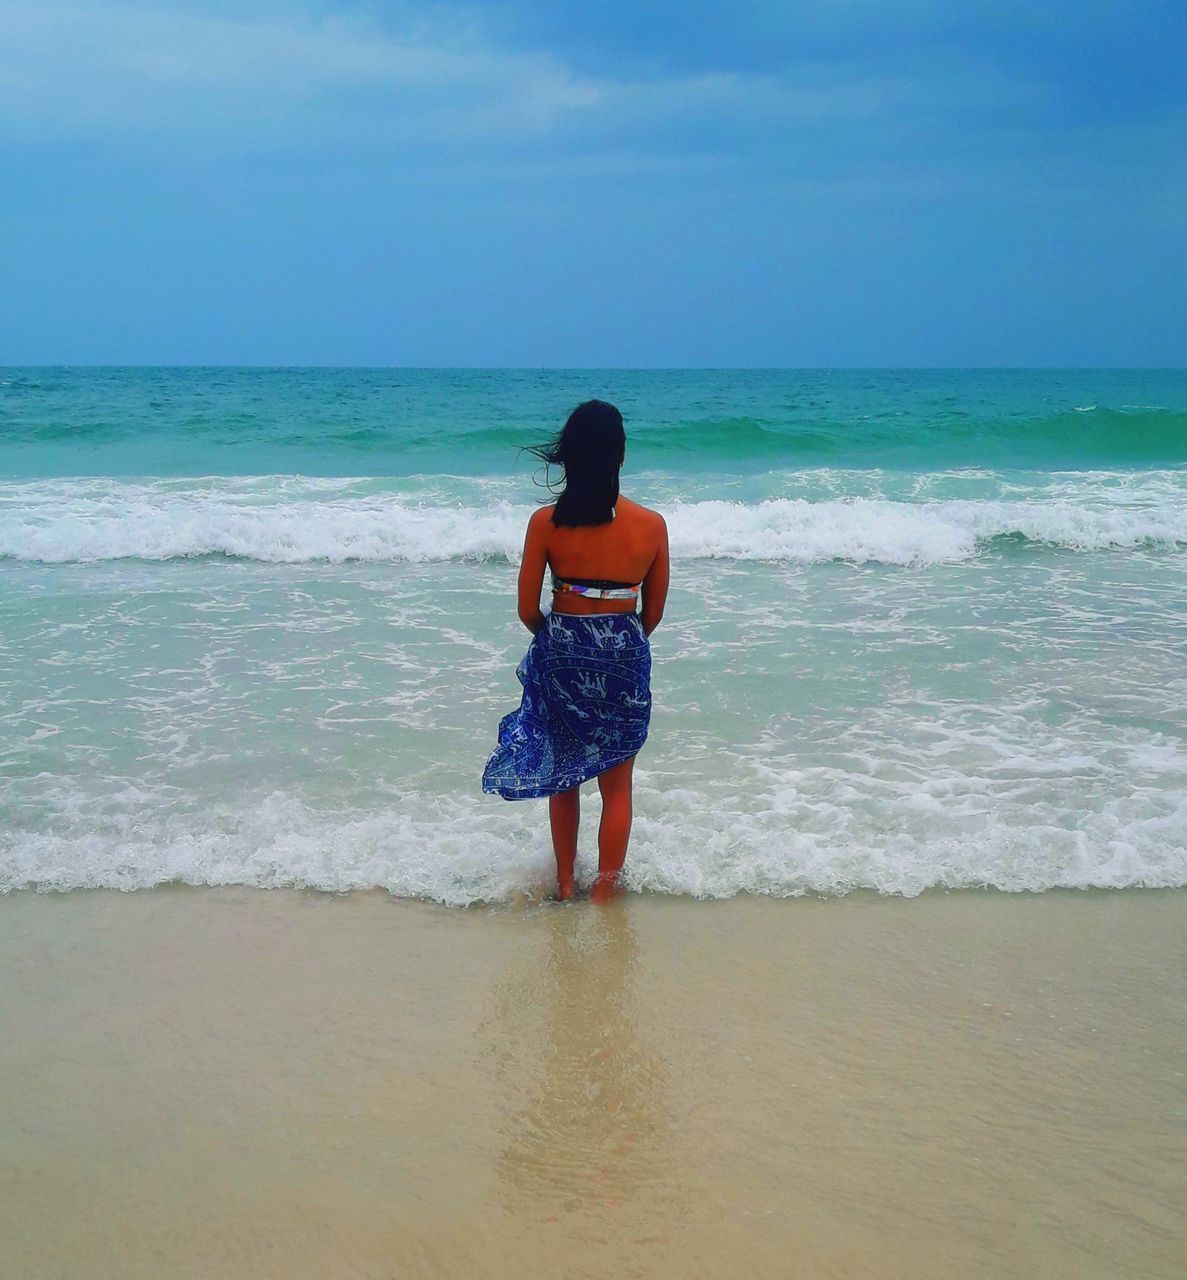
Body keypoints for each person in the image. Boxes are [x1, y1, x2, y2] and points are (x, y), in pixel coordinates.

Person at [482, 400, 670, 903]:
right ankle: (604, 893)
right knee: (618, 784)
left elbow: (526, 609)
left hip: (562, 649)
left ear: (570, 457)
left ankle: (566, 885)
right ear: (620, 456)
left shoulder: (545, 523)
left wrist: (561, 639)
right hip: (624, 654)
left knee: (563, 775)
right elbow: (652, 614)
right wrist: (619, 644)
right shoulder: (651, 526)